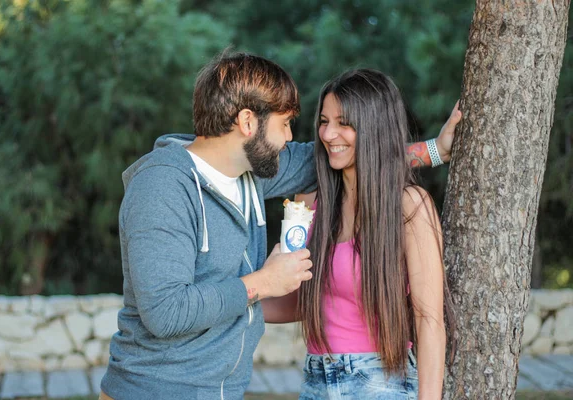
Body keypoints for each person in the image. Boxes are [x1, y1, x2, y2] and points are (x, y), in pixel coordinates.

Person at [100, 51, 459, 399]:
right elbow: (165, 312)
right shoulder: (163, 187)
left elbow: (355, 156)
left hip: (222, 391)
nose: (292, 138)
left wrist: (433, 151)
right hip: (152, 390)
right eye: (285, 124)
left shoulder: (252, 176)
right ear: (247, 122)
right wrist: (264, 283)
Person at [263, 69, 460, 399]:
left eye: (344, 122)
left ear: (373, 128)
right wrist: (238, 297)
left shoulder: (408, 206)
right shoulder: (310, 201)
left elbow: (429, 321)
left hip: (381, 382)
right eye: (324, 121)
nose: (328, 133)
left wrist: (436, 150)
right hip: (316, 381)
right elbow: (305, 302)